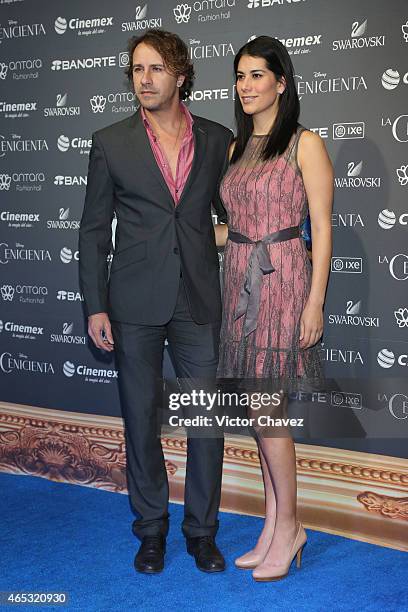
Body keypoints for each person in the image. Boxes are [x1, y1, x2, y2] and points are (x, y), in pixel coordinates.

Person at [79, 29, 232, 575]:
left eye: (156, 69)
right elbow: (94, 230)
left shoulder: (217, 140)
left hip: (197, 299)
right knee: (141, 421)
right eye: (137, 69)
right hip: (133, 302)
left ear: (181, 75)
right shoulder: (111, 141)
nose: (144, 79)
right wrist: (95, 305)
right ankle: (151, 532)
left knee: (205, 419)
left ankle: (202, 532)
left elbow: (232, 215)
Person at [216, 36, 333, 581]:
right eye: (240, 76)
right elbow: (233, 228)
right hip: (238, 281)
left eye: (257, 75)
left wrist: (315, 304)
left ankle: (291, 527)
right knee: (259, 415)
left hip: (284, 279)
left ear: (281, 83)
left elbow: (323, 230)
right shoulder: (236, 150)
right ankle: (272, 525)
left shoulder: (304, 144)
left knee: (268, 412)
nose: (246, 86)